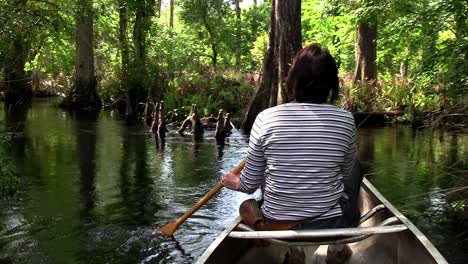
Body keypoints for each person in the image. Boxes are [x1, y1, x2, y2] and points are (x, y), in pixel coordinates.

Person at [221, 44, 361, 262]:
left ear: (293, 79)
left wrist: (233, 181)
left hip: (278, 224)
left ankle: (292, 249)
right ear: (332, 84)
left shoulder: (265, 118)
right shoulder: (345, 119)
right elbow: (344, 173)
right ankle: (336, 249)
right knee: (355, 170)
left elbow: (248, 185)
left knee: (247, 204)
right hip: (331, 224)